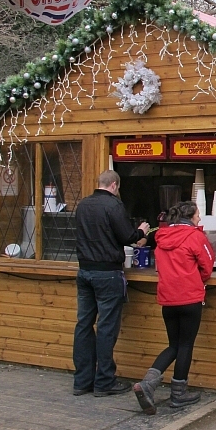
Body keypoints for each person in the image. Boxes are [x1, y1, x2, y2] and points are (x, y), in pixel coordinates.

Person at [73, 170, 149, 397]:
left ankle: (82, 381)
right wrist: (141, 231)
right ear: (114, 185)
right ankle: (104, 381)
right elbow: (126, 236)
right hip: (107, 273)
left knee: (84, 325)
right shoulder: (114, 205)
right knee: (106, 327)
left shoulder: (83, 205)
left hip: (84, 271)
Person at [133, 201, 213, 414]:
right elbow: (207, 265)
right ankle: (178, 394)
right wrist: (197, 279)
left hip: (168, 299)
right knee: (185, 345)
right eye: (198, 215)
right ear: (191, 217)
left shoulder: (161, 236)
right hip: (189, 297)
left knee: (174, 345)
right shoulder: (195, 236)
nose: (199, 218)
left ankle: (147, 384)